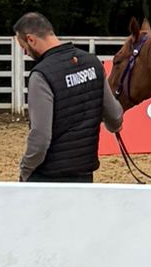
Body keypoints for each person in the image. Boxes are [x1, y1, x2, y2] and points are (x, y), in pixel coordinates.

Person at [14, 13, 124, 183]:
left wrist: (25, 170)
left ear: (31, 39)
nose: (26, 53)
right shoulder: (92, 63)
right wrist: (114, 126)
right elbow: (115, 116)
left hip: (49, 175)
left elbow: (40, 137)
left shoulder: (41, 75)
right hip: (84, 171)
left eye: (24, 47)